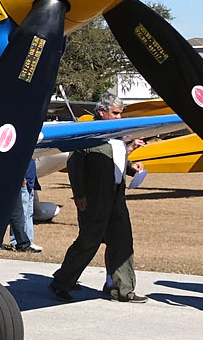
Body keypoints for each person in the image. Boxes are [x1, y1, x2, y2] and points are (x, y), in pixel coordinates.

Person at [51, 93, 148, 303]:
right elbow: (75, 165)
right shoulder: (88, 136)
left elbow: (115, 162)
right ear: (102, 112)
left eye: (120, 113)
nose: (119, 117)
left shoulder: (119, 136)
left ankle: (122, 290)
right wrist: (79, 194)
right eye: (115, 113)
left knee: (122, 242)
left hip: (117, 198)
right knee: (88, 242)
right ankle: (62, 283)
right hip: (94, 198)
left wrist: (131, 168)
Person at [7, 158, 42, 253]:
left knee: (28, 213)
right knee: (18, 215)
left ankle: (28, 241)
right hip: (22, 182)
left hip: (30, 182)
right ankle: (18, 242)